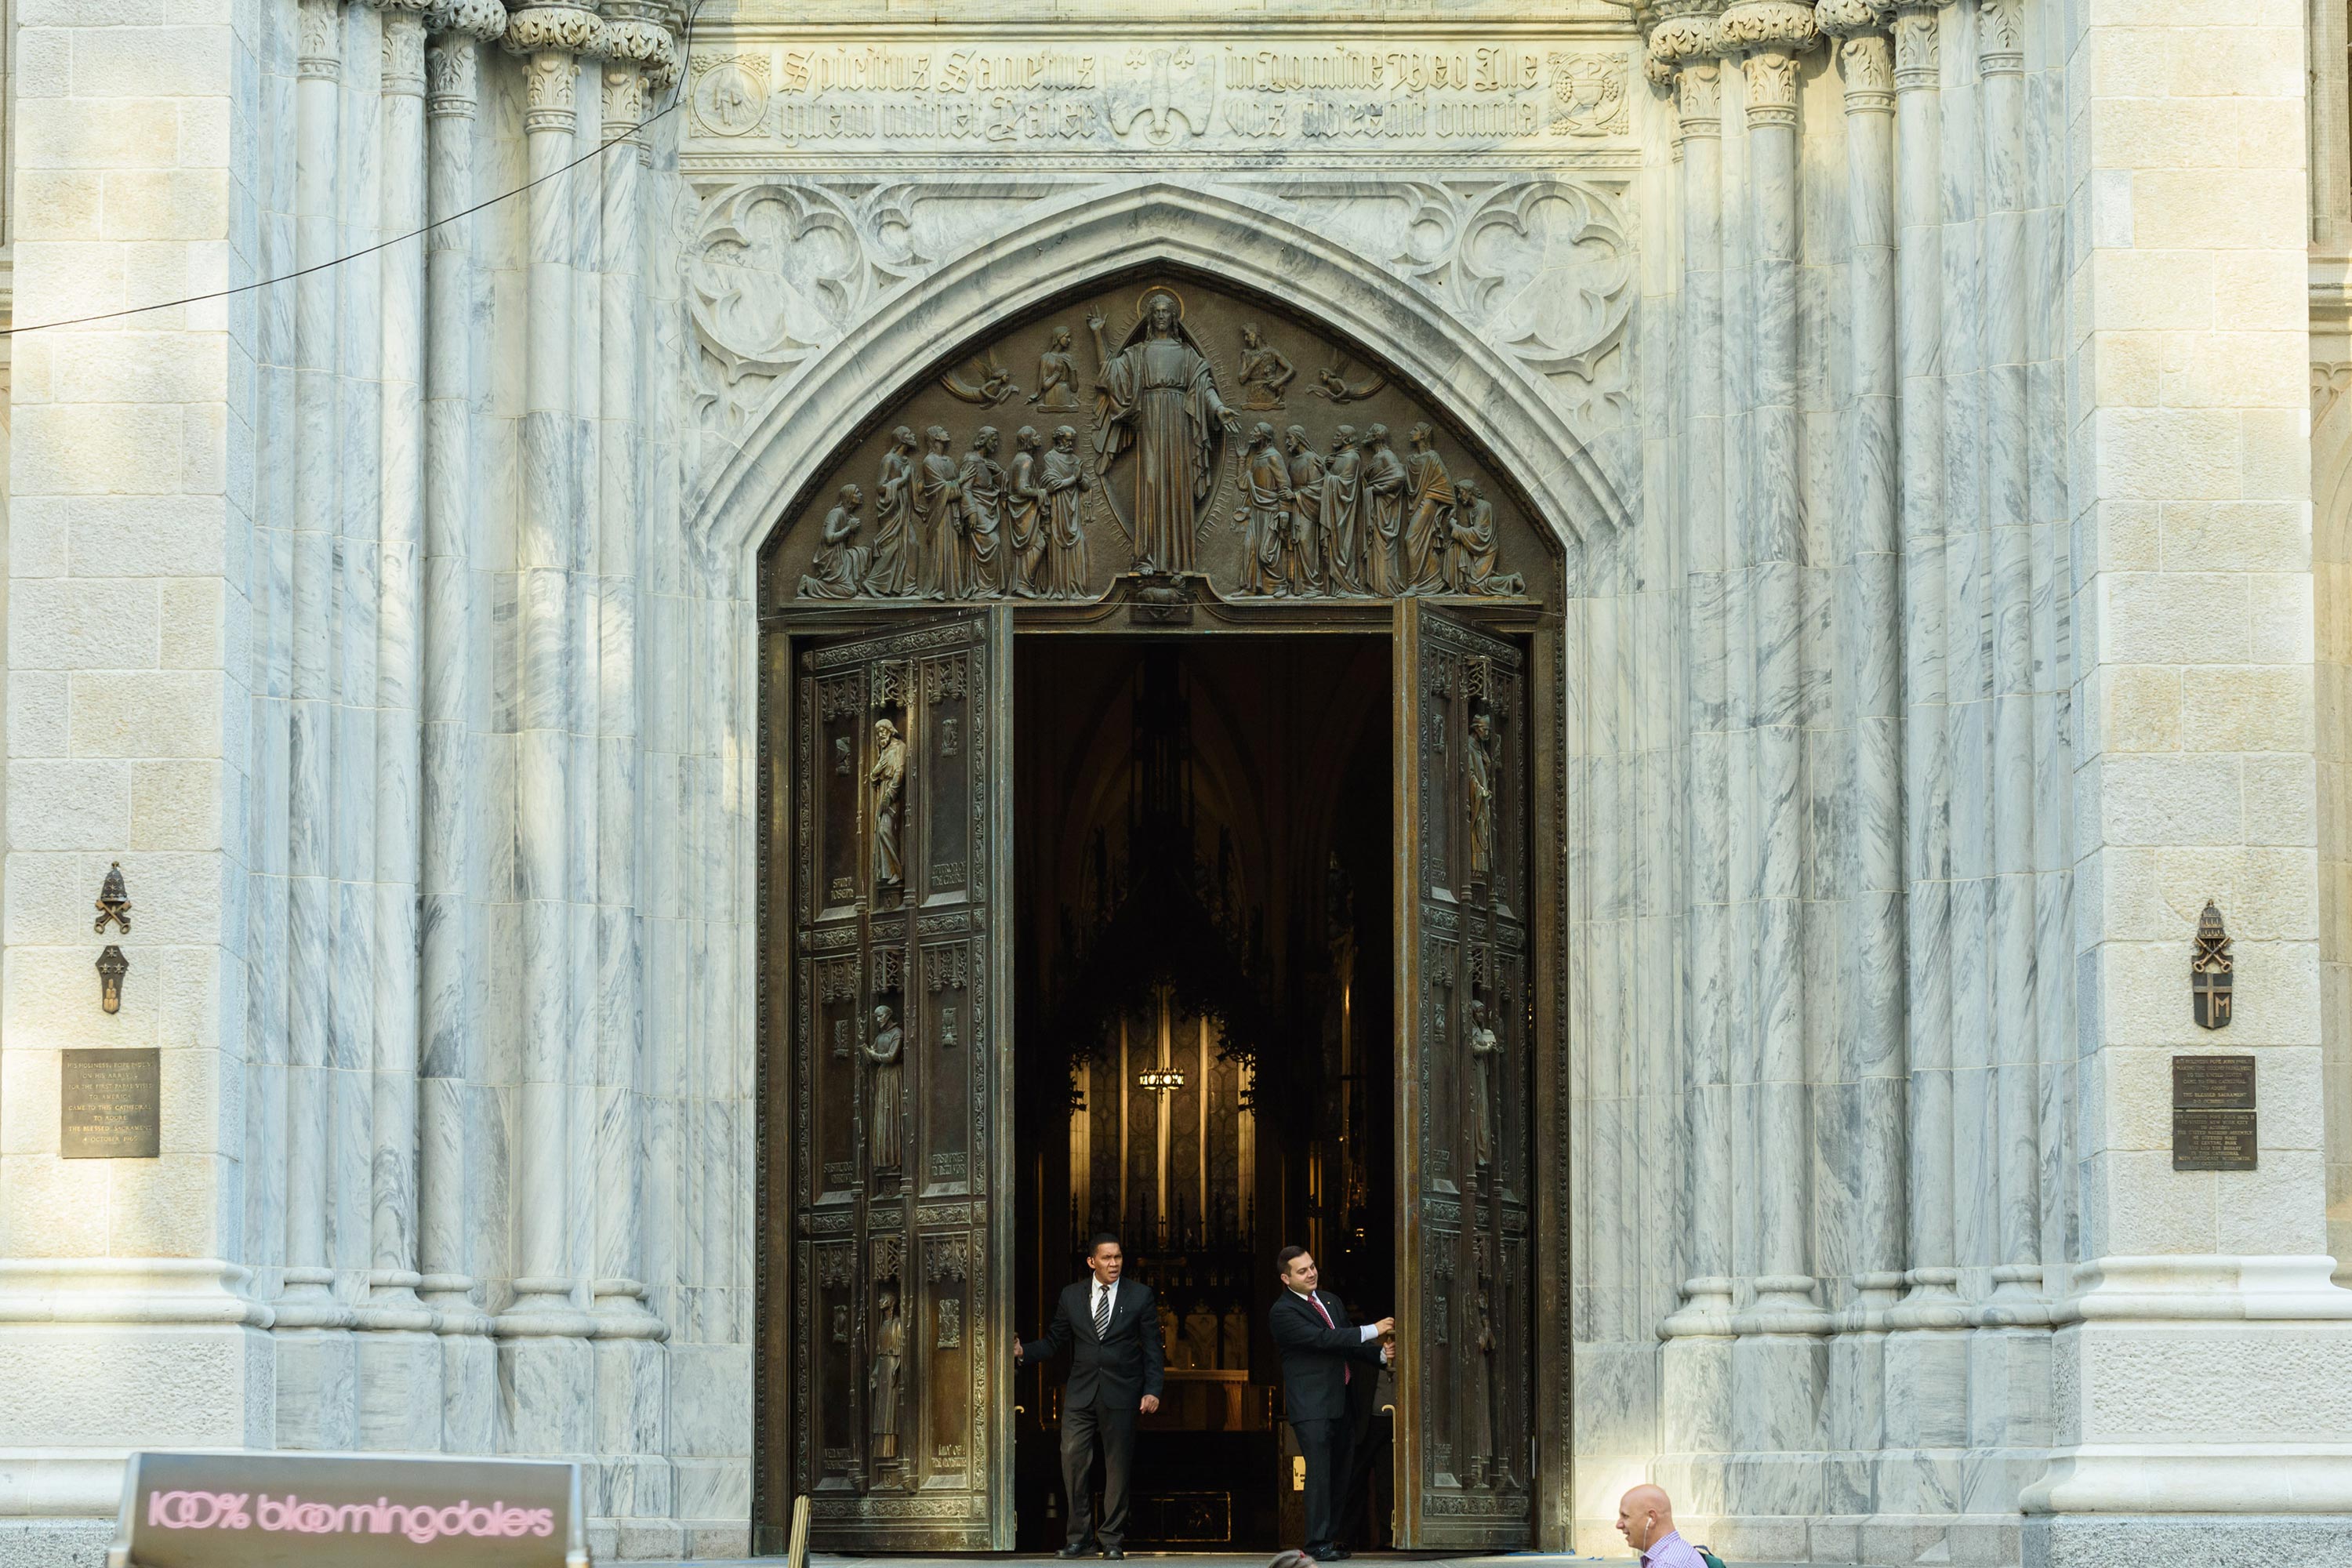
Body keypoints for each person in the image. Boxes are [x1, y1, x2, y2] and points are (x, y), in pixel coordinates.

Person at [1016, 1233, 1166, 1560]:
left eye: (1118, 1258)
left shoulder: (1139, 1296)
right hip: (1081, 1393)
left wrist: (1153, 1389)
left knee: (1118, 1467)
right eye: (1107, 1258)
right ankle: (1079, 1537)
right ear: (1091, 1262)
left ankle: (1112, 1539)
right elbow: (1055, 1340)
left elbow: (1153, 1347)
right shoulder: (1071, 1296)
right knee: (1072, 1461)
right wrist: (1023, 1352)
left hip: (1122, 1393)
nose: (1114, 1264)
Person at [1269, 1246, 1392, 1563]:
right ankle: (1315, 1543)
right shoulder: (1283, 1312)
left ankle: (1330, 1537)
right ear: (1286, 1279)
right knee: (1320, 1475)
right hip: (1312, 1407)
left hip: (1342, 1403)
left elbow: (1345, 1346)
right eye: (1302, 1271)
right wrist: (1372, 1331)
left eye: (1312, 1266)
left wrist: (1379, 1355)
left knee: (1341, 1475)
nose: (1311, 1273)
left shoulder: (1330, 1301)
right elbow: (1324, 1340)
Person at [1617, 1483, 1707, 1568]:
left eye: (1625, 1516)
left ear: (1651, 1518)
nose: (1618, 1525)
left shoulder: (1668, 1564)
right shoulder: (1674, 1553)